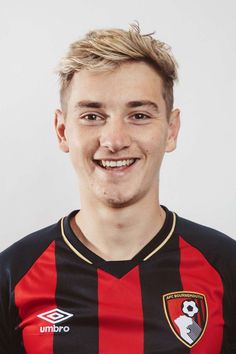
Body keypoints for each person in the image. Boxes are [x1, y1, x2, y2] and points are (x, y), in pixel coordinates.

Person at [0, 23, 235, 354]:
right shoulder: (12, 274)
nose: (114, 140)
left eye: (138, 115)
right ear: (62, 130)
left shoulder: (226, 267)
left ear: (171, 129)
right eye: (93, 116)